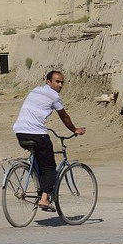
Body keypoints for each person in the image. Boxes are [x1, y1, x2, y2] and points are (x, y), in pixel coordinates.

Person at [13, 70, 85, 211]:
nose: (60, 85)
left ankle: (39, 187)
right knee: (50, 167)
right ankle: (44, 199)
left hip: (20, 132)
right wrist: (75, 129)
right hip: (36, 134)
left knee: (40, 160)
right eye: (57, 82)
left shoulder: (35, 90)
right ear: (48, 81)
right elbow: (64, 116)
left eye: (62, 82)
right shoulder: (54, 96)